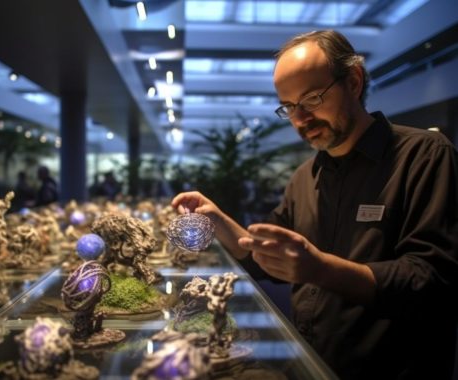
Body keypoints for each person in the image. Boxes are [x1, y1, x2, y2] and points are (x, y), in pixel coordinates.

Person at [172, 30, 458, 380]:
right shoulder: (305, 176)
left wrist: (319, 268)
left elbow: (433, 279)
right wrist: (218, 219)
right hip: (313, 362)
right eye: (289, 107)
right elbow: (265, 259)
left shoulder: (424, 155)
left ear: (353, 81)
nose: (300, 119)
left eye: (311, 99)